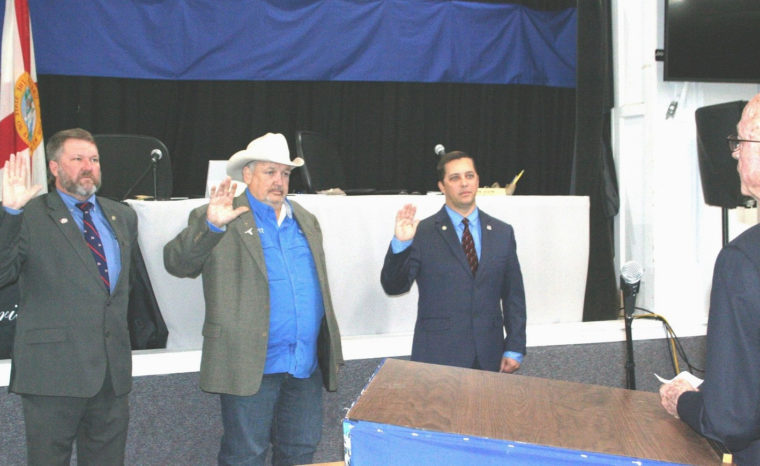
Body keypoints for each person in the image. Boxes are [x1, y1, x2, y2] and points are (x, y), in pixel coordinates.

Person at [163, 132, 342, 466]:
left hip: (304, 364)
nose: (279, 181)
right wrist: (211, 227)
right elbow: (177, 263)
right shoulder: (219, 214)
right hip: (250, 363)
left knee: (301, 453)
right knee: (245, 456)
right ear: (247, 174)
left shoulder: (305, 218)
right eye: (270, 172)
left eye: (285, 174)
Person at [0, 128, 139, 464]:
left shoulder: (122, 216)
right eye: (77, 159)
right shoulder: (30, 214)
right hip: (53, 375)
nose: (88, 166)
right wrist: (10, 214)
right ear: (54, 167)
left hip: (110, 375)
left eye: (94, 159)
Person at [660, 93, 760, 464]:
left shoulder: (744, 261)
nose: (733, 154)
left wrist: (681, 399)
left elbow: (731, 420)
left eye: (741, 141)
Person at [380, 150, 526, 373]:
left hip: (490, 354)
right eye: (455, 178)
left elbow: (513, 294)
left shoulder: (502, 232)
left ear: (477, 180)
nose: (464, 183)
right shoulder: (424, 232)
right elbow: (394, 286)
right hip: (438, 356)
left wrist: (514, 346)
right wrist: (401, 244)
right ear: (442, 186)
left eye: (469, 176)